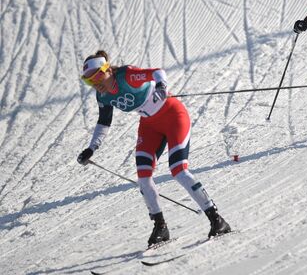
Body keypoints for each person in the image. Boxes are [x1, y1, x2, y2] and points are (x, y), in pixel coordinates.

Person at [77, 50, 231, 247]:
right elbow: (104, 122)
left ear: (107, 70)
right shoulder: (102, 96)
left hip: (173, 116)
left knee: (179, 170)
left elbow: (157, 72)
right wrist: (92, 148)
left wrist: (161, 86)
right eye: (89, 81)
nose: (95, 83)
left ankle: (217, 220)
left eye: (97, 76)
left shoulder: (126, 76)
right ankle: (160, 227)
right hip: (150, 126)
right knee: (143, 177)